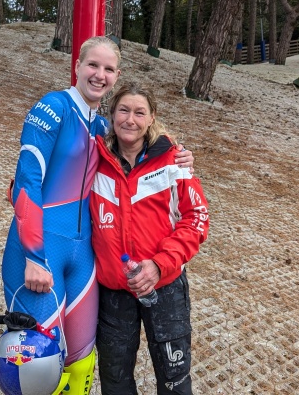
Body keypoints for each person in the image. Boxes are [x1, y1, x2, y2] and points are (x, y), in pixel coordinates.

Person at [1, 36, 193, 395]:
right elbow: (28, 180)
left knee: (81, 360)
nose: (99, 75)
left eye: (108, 69)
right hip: (41, 254)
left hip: (83, 259)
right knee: (34, 366)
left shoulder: (103, 129)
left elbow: (145, 143)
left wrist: (180, 155)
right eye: (93, 65)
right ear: (77, 65)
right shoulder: (53, 106)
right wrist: (33, 255)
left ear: (116, 75)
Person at [89, 82, 210, 395]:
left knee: (174, 381)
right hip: (114, 291)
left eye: (139, 112)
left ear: (151, 117)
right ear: (112, 115)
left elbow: (196, 218)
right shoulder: (93, 161)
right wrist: (21, 191)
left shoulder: (174, 162)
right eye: (124, 110)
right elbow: (55, 186)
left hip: (165, 286)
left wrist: (159, 265)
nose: (131, 119)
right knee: (115, 382)